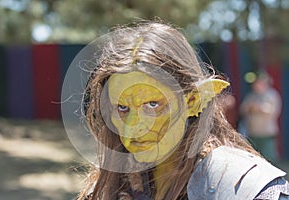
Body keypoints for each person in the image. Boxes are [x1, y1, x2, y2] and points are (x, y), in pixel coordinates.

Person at [76, 21, 289, 200]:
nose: (133, 129)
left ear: (193, 100)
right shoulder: (108, 187)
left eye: (152, 104)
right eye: (122, 108)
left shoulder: (244, 187)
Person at [240, 71, 282, 164]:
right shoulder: (251, 95)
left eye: (258, 82)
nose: (256, 84)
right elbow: (243, 110)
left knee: (269, 160)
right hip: (253, 134)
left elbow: (273, 111)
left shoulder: (272, 95)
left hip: (267, 134)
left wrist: (258, 107)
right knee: (255, 160)